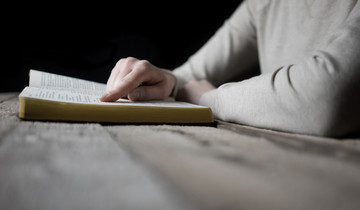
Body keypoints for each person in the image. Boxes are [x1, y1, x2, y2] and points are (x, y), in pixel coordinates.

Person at [100, 0, 360, 137]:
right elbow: (190, 76)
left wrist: (206, 99)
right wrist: (167, 79)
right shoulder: (262, 4)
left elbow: (326, 97)